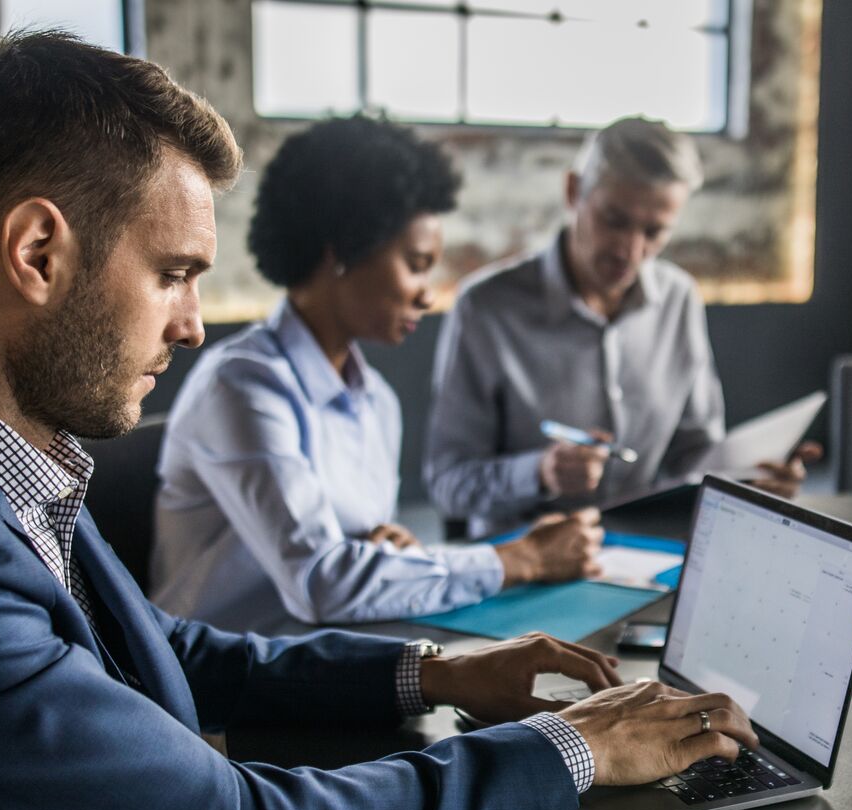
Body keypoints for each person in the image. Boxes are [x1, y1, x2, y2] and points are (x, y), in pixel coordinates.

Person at [0, 32, 754, 810]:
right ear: (36, 251)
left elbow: (154, 644)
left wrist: (437, 672)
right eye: (172, 271)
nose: (192, 324)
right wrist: (563, 749)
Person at [149, 116, 605, 633]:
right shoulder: (240, 388)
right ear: (342, 250)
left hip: (330, 661)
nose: (427, 294)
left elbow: (353, 564)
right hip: (217, 694)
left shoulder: (377, 403)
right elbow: (323, 581)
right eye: (415, 264)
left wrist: (395, 555)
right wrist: (523, 559)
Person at [424, 116, 816, 537]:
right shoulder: (485, 308)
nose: (631, 250)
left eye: (654, 231)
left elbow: (694, 456)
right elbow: (447, 482)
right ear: (573, 191)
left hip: (646, 555)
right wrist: (539, 473)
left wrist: (750, 478)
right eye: (614, 220)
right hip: (524, 564)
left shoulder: (678, 299)